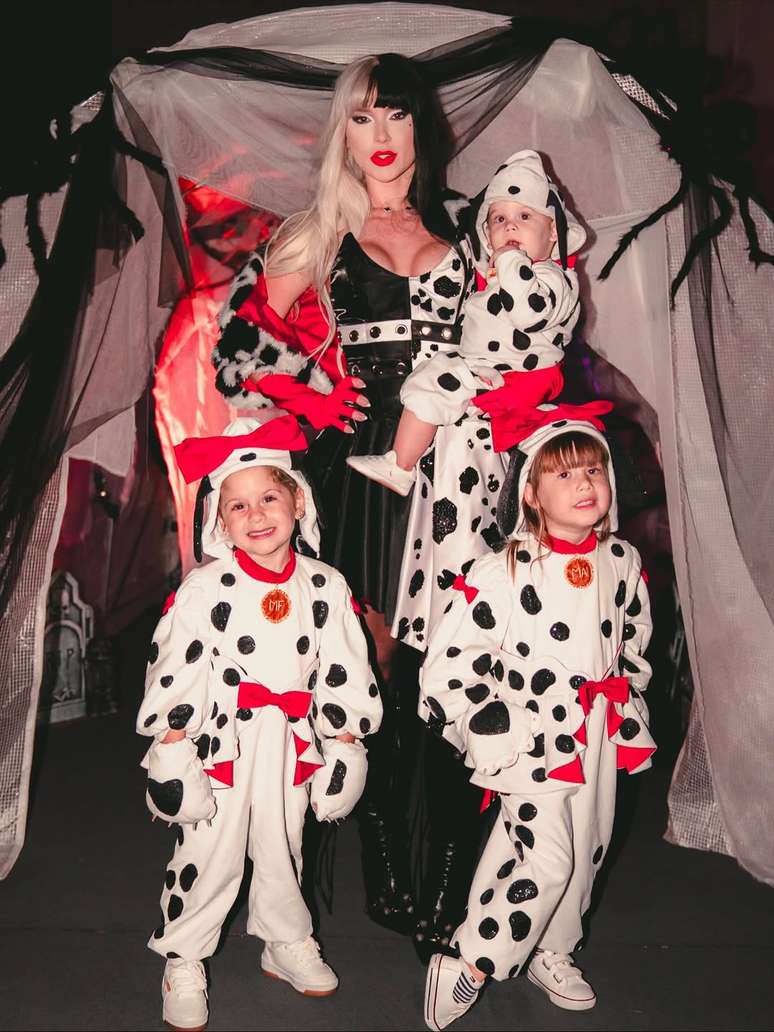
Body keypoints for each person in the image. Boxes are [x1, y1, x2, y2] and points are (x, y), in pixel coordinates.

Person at [211, 53, 496, 959]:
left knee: (457, 671)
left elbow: (527, 331)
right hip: (361, 472)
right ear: (344, 130)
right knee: (372, 670)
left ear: (421, 126)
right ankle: (387, 870)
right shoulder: (317, 232)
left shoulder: (472, 224)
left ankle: (448, 882)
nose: (380, 136)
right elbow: (235, 352)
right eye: (363, 118)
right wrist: (309, 394)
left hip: (462, 471)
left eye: (396, 116)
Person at [137, 414, 382, 1032]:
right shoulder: (204, 588)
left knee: (285, 846)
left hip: (290, 744)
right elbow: (177, 669)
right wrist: (172, 750)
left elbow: (345, 667)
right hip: (221, 744)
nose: (256, 515)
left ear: (298, 501)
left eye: (269, 498)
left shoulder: (325, 586)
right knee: (209, 851)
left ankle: (285, 938)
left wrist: (345, 742)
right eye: (238, 505)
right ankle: (183, 957)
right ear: (219, 521)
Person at [418, 407, 657, 1031]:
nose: (584, 484)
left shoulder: (622, 559)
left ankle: (553, 948)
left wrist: (627, 698)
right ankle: (472, 962)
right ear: (530, 492)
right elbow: (450, 662)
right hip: (529, 736)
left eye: (593, 470)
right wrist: (486, 725)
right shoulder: (502, 569)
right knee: (547, 859)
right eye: (564, 474)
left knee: (583, 846)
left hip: (597, 729)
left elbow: (633, 636)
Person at [346, 149, 586, 495]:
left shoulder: (555, 278)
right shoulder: (498, 275)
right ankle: (400, 463)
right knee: (428, 382)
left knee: (435, 384)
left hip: (518, 375)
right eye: (498, 219)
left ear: (553, 233)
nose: (510, 225)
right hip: (487, 367)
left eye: (524, 216)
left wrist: (510, 260)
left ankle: (401, 466)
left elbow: (528, 312)